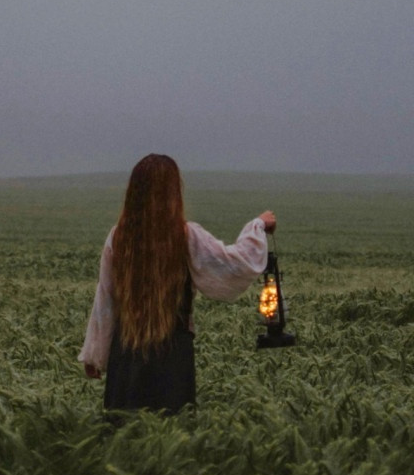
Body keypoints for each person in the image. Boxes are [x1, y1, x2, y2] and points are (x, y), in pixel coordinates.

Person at [78, 154, 276, 415]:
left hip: (125, 357)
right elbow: (234, 265)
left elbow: (105, 300)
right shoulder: (185, 235)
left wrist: (95, 354)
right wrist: (258, 225)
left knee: (124, 430)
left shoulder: (118, 236)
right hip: (172, 356)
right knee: (172, 429)